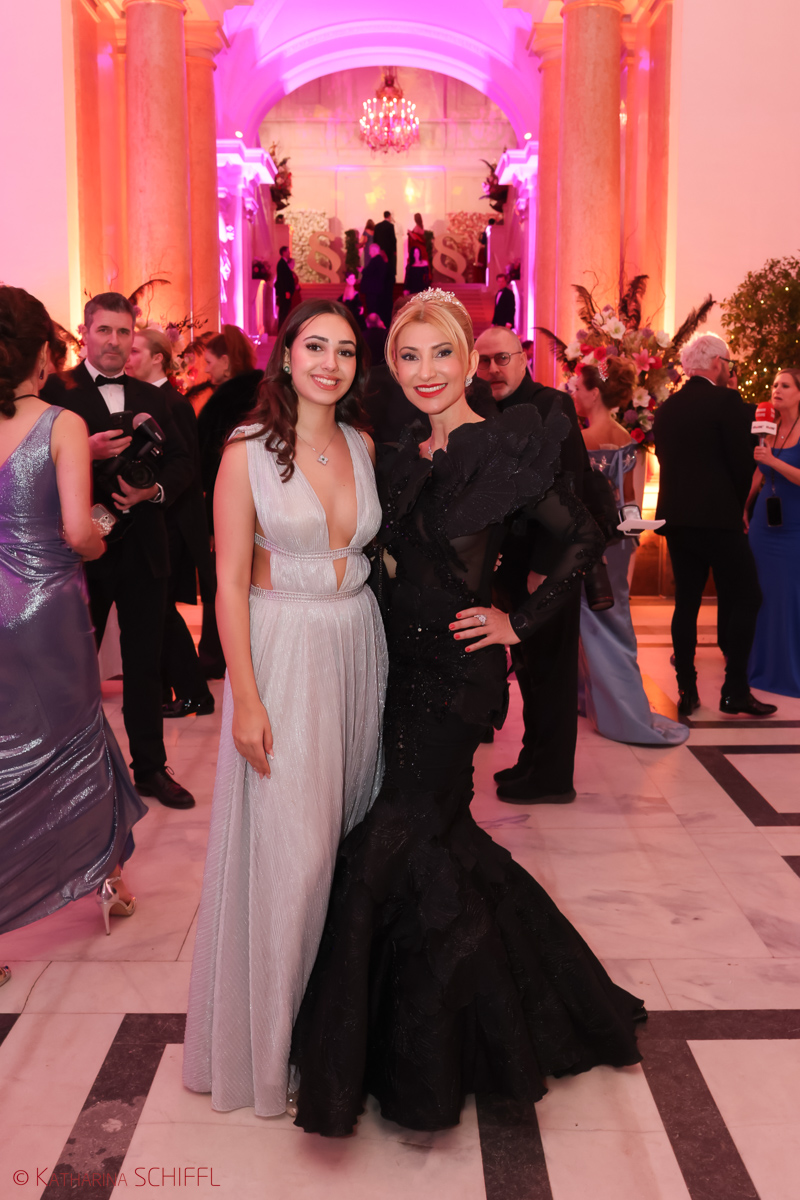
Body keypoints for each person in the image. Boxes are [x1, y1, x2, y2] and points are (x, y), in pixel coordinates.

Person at [291, 290, 645, 1137]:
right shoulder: (395, 453)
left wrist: (517, 621)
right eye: (408, 357)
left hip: (457, 678)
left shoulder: (507, 445)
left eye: (441, 354)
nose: (426, 373)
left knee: (392, 835)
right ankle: (523, 1009)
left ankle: (384, 1064)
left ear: (468, 360)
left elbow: (585, 536)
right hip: (391, 668)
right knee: (442, 841)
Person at [183, 300, 387, 1118]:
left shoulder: (363, 444)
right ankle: (266, 1053)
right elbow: (229, 582)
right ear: (286, 356)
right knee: (292, 857)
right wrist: (246, 698)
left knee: (344, 842)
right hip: (285, 650)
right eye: (315, 347)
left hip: (357, 647)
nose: (330, 363)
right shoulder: (246, 451)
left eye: (345, 350)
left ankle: (324, 1040)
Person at [0, 285, 146, 944]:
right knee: (77, 738)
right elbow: (79, 533)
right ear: (41, 355)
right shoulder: (60, 423)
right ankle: (105, 876)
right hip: (46, 608)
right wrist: (100, 535)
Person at [50, 292, 197, 808]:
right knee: (73, 667)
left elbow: (184, 462)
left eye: (123, 332)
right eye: (104, 330)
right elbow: (30, 460)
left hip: (145, 551)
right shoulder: (56, 391)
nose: (113, 341)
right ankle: (64, 774)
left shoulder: (153, 394)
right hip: (79, 551)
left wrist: (152, 491)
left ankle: (151, 769)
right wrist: (81, 451)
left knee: (145, 666)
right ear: (85, 333)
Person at [474, 325, 590, 803]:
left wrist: (545, 567)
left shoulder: (551, 405)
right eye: (483, 362)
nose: (493, 370)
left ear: (523, 359)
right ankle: (532, 760)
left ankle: (553, 778)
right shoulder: (485, 411)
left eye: (502, 359)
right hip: (513, 566)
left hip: (550, 565)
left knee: (553, 672)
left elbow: (572, 486)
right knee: (528, 669)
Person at [654, 333, 776, 717]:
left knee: (686, 602)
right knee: (747, 597)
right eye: (729, 364)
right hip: (720, 519)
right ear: (717, 363)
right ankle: (735, 689)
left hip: (677, 520)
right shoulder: (727, 401)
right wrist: (739, 503)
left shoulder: (667, 407)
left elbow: (666, 459)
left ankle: (687, 689)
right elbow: (743, 462)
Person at [571, 358, 688, 746]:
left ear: (594, 393)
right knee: (614, 620)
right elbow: (632, 503)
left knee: (594, 622)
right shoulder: (626, 438)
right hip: (619, 542)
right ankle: (602, 702)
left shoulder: (580, 440)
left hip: (587, 543)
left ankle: (614, 710)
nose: (573, 392)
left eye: (577, 386)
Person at [126, 326, 215, 718]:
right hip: (157, 521)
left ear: (157, 358)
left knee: (161, 610)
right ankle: (169, 691)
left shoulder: (172, 403)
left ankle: (195, 693)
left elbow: (184, 468)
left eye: (134, 351)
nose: (127, 357)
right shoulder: (147, 399)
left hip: (172, 522)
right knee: (156, 611)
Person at [196, 325, 263, 678]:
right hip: (267, 500)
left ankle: (214, 654)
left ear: (225, 360)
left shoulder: (222, 402)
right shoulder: (266, 390)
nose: (206, 370)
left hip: (232, 504)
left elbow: (208, 466)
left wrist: (209, 522)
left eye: (209, 362)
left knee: (223, 581)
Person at [747, 367, 800, 696]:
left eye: (785, 385)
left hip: (795, 525)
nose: (776, 390)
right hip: (763, 525)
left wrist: (773, 461)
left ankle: (789, 670)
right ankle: (761, 666)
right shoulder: (768, 427)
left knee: (790, 595)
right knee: (762, 595)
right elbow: (759, 470)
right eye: (775, 385)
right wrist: (744, 505)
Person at [372, 210, 397, 319]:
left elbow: (375, 240)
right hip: (388, 256)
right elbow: (393, 240)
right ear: (389, 216)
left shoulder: (377, 226)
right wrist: (394, 252)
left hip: (379, 255)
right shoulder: (390, 226)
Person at [360, 243, 390, 328]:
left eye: (370, 251)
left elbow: (369, 273)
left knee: (372, 309)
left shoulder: (375, 260)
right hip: (377, 290)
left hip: (372, 291)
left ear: (374, 250)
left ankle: (373, 327)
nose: (369, 253)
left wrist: (363, 270)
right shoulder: (380, 261)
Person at [275, 246, 296, 329]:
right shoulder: (281, 264)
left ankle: (283, 328)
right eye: (288, 251)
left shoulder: (284, 263)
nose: (289, 253)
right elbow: (282, 279)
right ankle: (281, 328)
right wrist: (286, 291)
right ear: (283, 252)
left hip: (286, 292)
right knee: (283, 311)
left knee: (285, 311)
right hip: (284, 292)